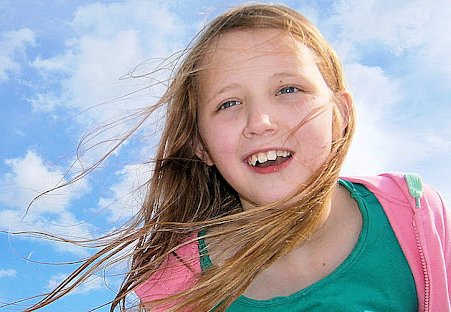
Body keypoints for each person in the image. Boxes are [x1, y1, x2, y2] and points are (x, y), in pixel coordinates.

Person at [23, 4, 450, 312]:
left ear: (341, 113)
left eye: (288, 89)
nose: (260, 121)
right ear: (201, 147)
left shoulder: (415, 218)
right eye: (228, 103)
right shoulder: (177, 287)